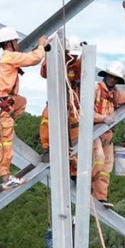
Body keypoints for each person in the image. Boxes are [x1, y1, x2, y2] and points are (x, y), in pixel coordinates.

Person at [0, 27, 47, 189]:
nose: (17, 43)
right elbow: (33, 59)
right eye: (15, 41)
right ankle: (6, 178)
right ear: (9, 43)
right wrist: (41, 45)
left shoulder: (6, 58)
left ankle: (8, 121)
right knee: (6, 142)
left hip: (3, 103)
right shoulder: (10, 56)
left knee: (22, 101)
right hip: (2, 105)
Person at [91, 63, 125, 207]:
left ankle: (100, 197)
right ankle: (86, 186)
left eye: (115, 78)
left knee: (106, 168)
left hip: (108, 135)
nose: (112, 80)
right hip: (94, 133)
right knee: (98, 161)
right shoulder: (96, 90)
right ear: (106, 75)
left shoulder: (115, 94)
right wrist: (102, 118)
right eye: (111, 77)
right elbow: (85, 111)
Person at [38, 37, 83, 171]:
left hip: (72, 105)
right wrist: (48, 53)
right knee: (47, 121)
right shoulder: (55, 64)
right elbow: (44, 72)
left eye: (75, 56)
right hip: (56, 101)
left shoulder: (76, 66)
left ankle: (75, 172)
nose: (73, 58)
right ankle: (47, 149)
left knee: (75, 136)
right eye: (71, 55)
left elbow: (82, 68)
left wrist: (85, 55)